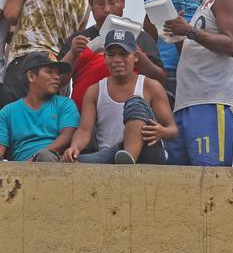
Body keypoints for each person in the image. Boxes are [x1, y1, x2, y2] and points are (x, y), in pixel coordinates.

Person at [162, 0, 233, 166]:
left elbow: (232, 44)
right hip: (187, 102)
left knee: (210, 176)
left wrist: (188, 30)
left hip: (210, 101)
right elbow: (194, 50)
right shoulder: (203, 6)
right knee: (181, 177)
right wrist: (179, 34)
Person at [61, 30, 178, 165]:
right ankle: (123, 160)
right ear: (104, 57)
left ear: (135, 56)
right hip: (110, 155)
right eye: (111, 55)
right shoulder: (94, 90)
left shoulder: (150, 86)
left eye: (123, 54)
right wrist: (74, 148)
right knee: (71, 162)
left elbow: (172, 129)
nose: (117, 60)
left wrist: (162, 132)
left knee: (135, 102)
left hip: (148, 153)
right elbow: (84, 130)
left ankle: (128, 158)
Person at [58, 0, 165, 107]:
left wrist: (139, 57)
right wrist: (72, 54)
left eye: (112, 2)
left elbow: (160, 79)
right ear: (90, 4)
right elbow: (57, 81)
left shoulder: (141, 38)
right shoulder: (78, 40)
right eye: (100, 4)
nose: (107, 9)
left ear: (123, 2)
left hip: (131, 118)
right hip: (82, 119)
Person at [3, 0, 92, 99]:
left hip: (24, 63)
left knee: (16, 119)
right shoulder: (85, 1)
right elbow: (73, 44)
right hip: (54, 72)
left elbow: (10, 14)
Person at [0, 52, 79, 163]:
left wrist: (36, 157)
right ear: (31, 76)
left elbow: (68, 135)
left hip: (57, 164)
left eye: (58, 73)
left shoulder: (65, 104)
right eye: (49, 72)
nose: (56, 77)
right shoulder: (8, 111)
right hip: (20, 171)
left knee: (45, 157)